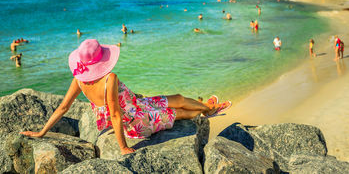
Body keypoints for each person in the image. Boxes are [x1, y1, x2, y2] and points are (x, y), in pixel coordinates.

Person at [20, 39, 231, 155]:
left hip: (138, 105)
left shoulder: (79, 80)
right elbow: (115, 115)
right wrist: (122, 147)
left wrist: (42, 132)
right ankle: (207, 111)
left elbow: (63, 107)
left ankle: (207, 107)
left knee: (178, 97)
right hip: (138, 121)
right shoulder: (109, 79)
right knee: (180, 112)